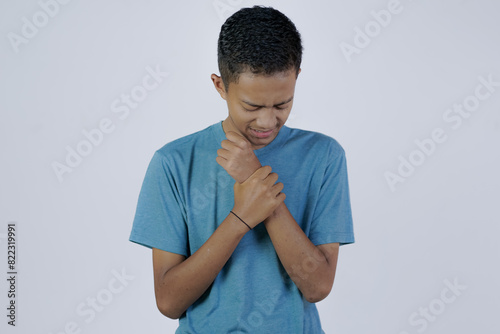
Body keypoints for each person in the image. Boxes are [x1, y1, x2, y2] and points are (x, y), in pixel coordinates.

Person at [129, 6, 355, 333]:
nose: (267, 122)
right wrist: (240, 219)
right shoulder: (173, 163)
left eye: (282, 104)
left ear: (296, 78)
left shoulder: (324, 157)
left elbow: (317, 286)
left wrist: (256, 182)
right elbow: (169, 301)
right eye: (252, 106)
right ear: (220, 86)